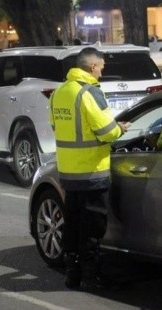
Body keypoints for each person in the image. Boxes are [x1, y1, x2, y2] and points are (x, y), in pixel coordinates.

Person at [49, 47, 130, 290]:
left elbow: (56, 127)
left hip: (68, 172)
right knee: (93, 226)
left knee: (72, 223)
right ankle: (91, 275)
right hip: (92, 172)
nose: (102, 73)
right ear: (92, 67)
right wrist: (120, 129)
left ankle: (72, 274)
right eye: (102, 68)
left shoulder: (58, 93)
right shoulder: (89, 93)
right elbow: (106, 131)